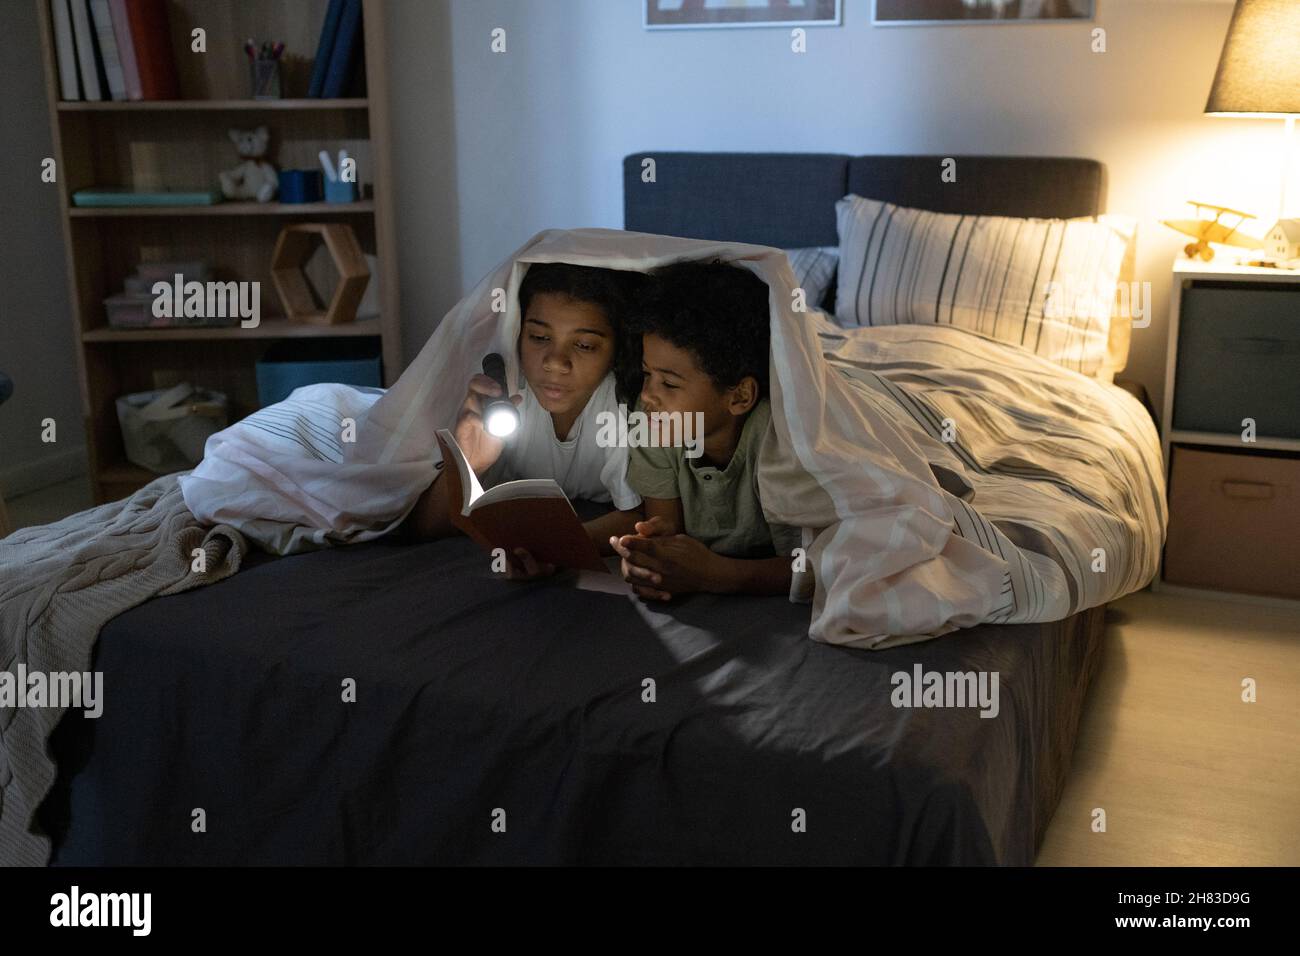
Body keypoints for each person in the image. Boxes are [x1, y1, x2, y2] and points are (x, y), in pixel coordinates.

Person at [404, 263, 644, 576]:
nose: (555, 363)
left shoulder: (619, 404)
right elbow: (424, 526)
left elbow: (636, 518)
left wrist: (551, 547)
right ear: (518, 333)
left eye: (584, 345)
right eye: (540, 337)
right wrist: (469, 461)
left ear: (616, 351)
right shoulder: (505, 397)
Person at [611, 260, 800, 601]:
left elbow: (814, 566)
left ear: (740, 396)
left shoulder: (778, 439)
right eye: (646, 374)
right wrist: (652, 556)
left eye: (669, 382)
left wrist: (717, 575)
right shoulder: (655, 421)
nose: (647, 395)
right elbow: (666, 529)